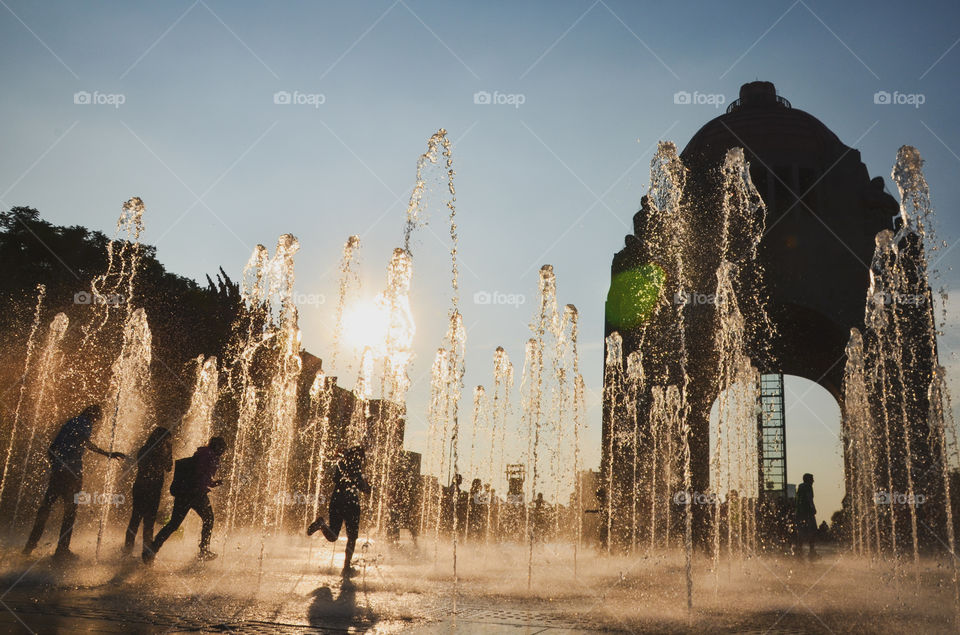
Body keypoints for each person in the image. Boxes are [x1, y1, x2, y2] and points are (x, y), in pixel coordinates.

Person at [23, 405, 126, 560]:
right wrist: (108, 454)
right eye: (97, 419)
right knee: (70, 512)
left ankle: (29, 547)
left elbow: (52, 449)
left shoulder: (70, 422)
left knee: (45, 508)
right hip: (73, 474)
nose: (96, 422)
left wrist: (56, 467)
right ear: (94, 416)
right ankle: (62, 550)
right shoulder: (85, 423)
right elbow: (83, 440)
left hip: (58, 472)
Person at [144, 436, 227, 564]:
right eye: (222, 448)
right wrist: (205, 486)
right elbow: (200, 474)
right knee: (209, 519)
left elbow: (200, 474)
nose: (223, 452)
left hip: (185, 492)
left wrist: (212, 483)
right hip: (195, 494)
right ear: (217, 447)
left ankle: (152, 549)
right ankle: (203, 550)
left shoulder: (203, 453)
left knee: (173, 524)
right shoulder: (209, 455)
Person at [307, 446, 371, 577]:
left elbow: (336, 479)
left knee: (333, 535)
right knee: (352, 537)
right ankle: (346, 567)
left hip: (336, 501)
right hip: (351, 504)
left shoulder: (341, 464)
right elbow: (363, 487)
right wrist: (366, 485)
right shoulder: (356, 466)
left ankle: (322, 525)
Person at [123, 426, 172, 557]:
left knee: (138, 520)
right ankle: (143, 553)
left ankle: (130, 551)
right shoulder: (152, 451)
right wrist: (167, 452)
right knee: (145, 521)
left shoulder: (145, 449)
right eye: (167, 440)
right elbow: (166, 467)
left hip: (143, 488)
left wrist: (168, 452)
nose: (167, 442)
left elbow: (168, 468)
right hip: (149, 489)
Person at [795, 472, 817, 559]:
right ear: (808, 480)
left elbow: (797, 500)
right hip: (808, 512)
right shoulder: (808, 486)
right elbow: (809, 498)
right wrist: (813, 508)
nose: (813, 481)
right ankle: (812, 551)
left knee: (801, 531)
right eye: (812, 479)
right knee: (813, 530)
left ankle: (799, 551)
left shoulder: (800, 487)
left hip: (800, 513)